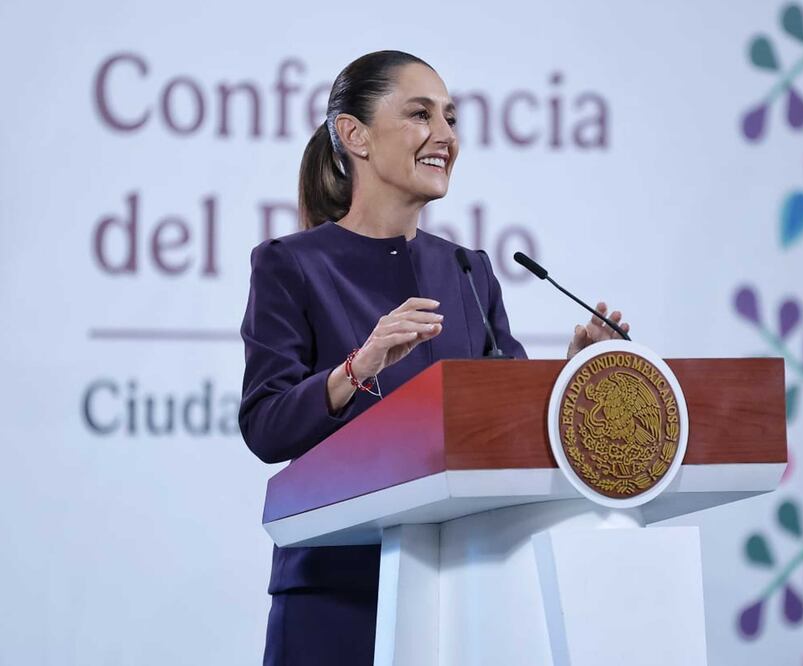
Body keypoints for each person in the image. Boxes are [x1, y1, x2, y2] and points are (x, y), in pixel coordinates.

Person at [238, 50, 629, 666]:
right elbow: (264, 425)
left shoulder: (469, 270)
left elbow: (506, 428)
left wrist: (571, 376)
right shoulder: (290, 264)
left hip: (466, 595)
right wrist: (358, 367)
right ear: (354, 135)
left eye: (450, 118)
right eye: (421, 115)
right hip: (337, 594)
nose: (446, 136)